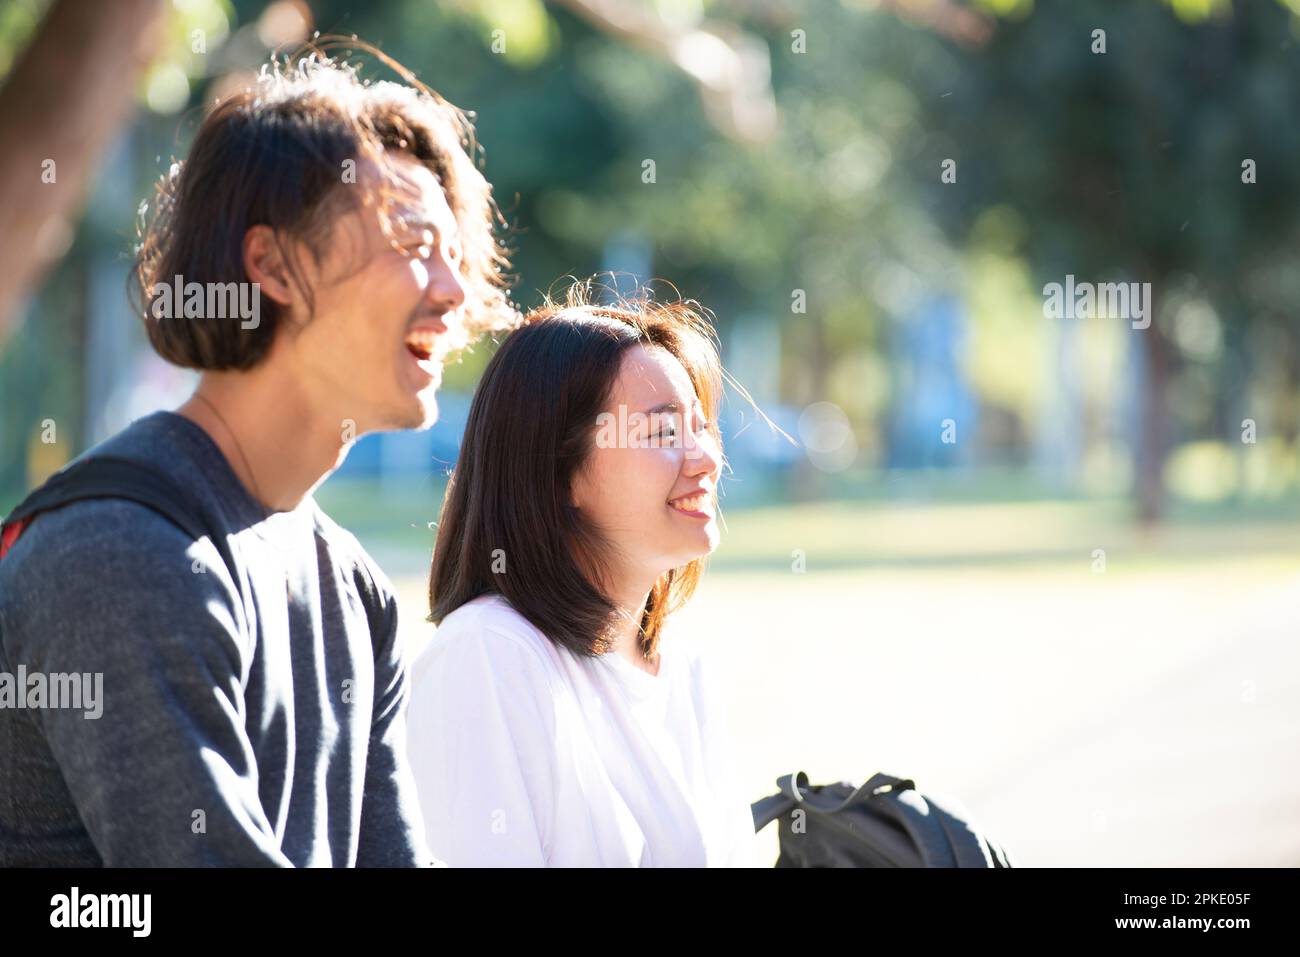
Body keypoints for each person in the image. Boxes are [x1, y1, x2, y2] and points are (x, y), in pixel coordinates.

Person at [0, 42, 517, 866]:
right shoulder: (120, 553)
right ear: (271, 264)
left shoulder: (353, 591)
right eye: (416, 244)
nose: (453, 292)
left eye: (457, 258)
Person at [407, 282, 763, 867]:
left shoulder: (684, 669)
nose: (705, 458)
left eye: (701, 427)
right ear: (559, 473)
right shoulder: (490, 654)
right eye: (663, 433)